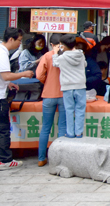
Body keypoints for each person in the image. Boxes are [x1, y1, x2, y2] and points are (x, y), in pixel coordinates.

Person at [1, 28, 34, 169]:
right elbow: (6, 75)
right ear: (11, 39)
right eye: (19, 40)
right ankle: (5, 160)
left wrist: (9, 83)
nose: (20, 43)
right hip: (0, 98)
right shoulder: (2, 53)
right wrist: (23, 74)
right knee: (3, 129)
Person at [36, 33, 67, 167]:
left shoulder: (47, 56)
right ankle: (59, 160)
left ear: (51, 44)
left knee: (45, 129)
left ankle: (41, 158)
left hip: (48, 95)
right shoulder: (66, 55)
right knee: (62, 128)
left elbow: (39, 75)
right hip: (64, 95)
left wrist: (47, 81)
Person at [53, 35, 87, 139]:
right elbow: (85, 64)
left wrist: (55, 53)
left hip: (67, 86)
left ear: (63, 46)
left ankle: (70, 133)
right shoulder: (81, 55)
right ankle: (79, 133)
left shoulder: (62, 58)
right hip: (80, 85)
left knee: (69, 110)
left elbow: (55, 63)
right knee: (80, 109)